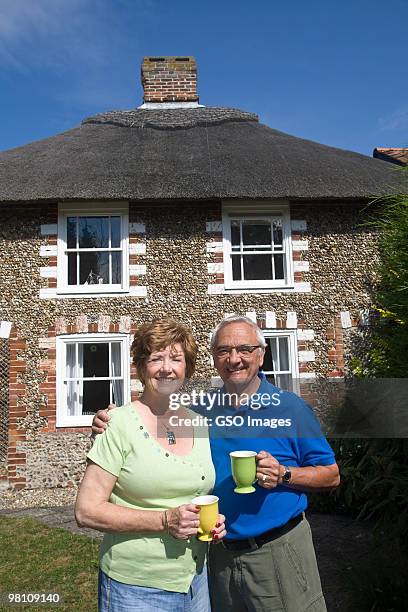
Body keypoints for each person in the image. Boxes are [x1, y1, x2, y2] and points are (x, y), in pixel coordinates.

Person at [92, 316, 340, 612]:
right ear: (214, 359)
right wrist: (109, 421)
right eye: (224, 351)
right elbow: (148, 428)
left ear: (261, 355)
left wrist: (285, 474)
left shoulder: (290, 408)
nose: (234, 359)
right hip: (217, 556)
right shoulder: (198, 415)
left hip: (278, 551)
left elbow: (331, 475)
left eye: (244, 349)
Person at [76, 318, 226, 612]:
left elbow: (196, 490)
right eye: (156, 358)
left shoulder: (198, 423)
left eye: (176, 359)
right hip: (135, 588)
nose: (167, 367)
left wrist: (212, 525)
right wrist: (164, 521)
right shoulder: (117, 423)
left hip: (195, 582)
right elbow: (86, 511)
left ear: (188, 367)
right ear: (142, 367)